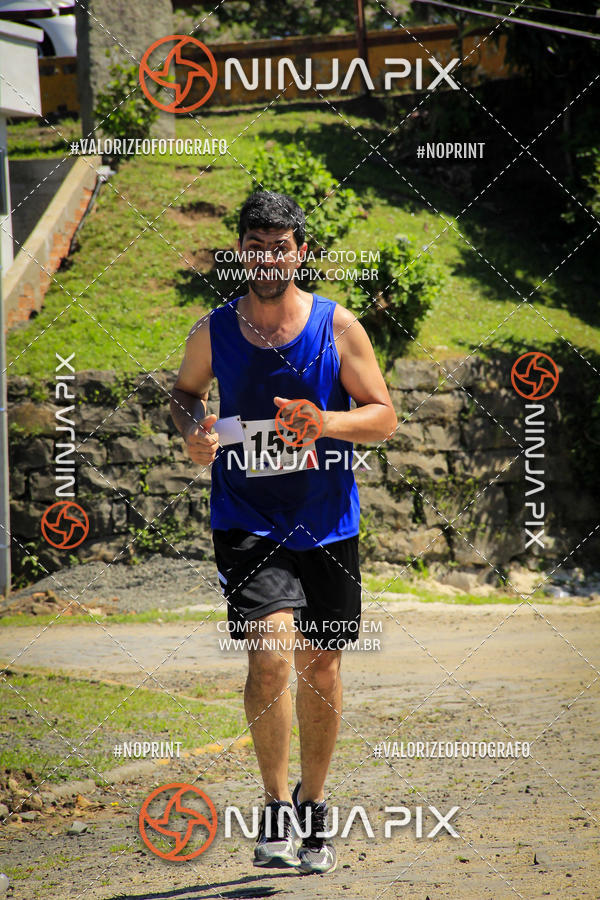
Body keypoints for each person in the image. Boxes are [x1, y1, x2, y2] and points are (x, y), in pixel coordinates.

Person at [170, 191, 396, 874]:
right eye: (255, 243)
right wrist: (192, 434)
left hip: (326, 523)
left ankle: (314, 806)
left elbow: (383, 416)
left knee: (320, 667)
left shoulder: (337, 328)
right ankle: (273, 804)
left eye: (280, 244)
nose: (267, 255)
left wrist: (324, 422)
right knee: (270, 655)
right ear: (240, 251)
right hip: (246, 518)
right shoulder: (213, 329)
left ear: (301, 251)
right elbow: (183, 396)